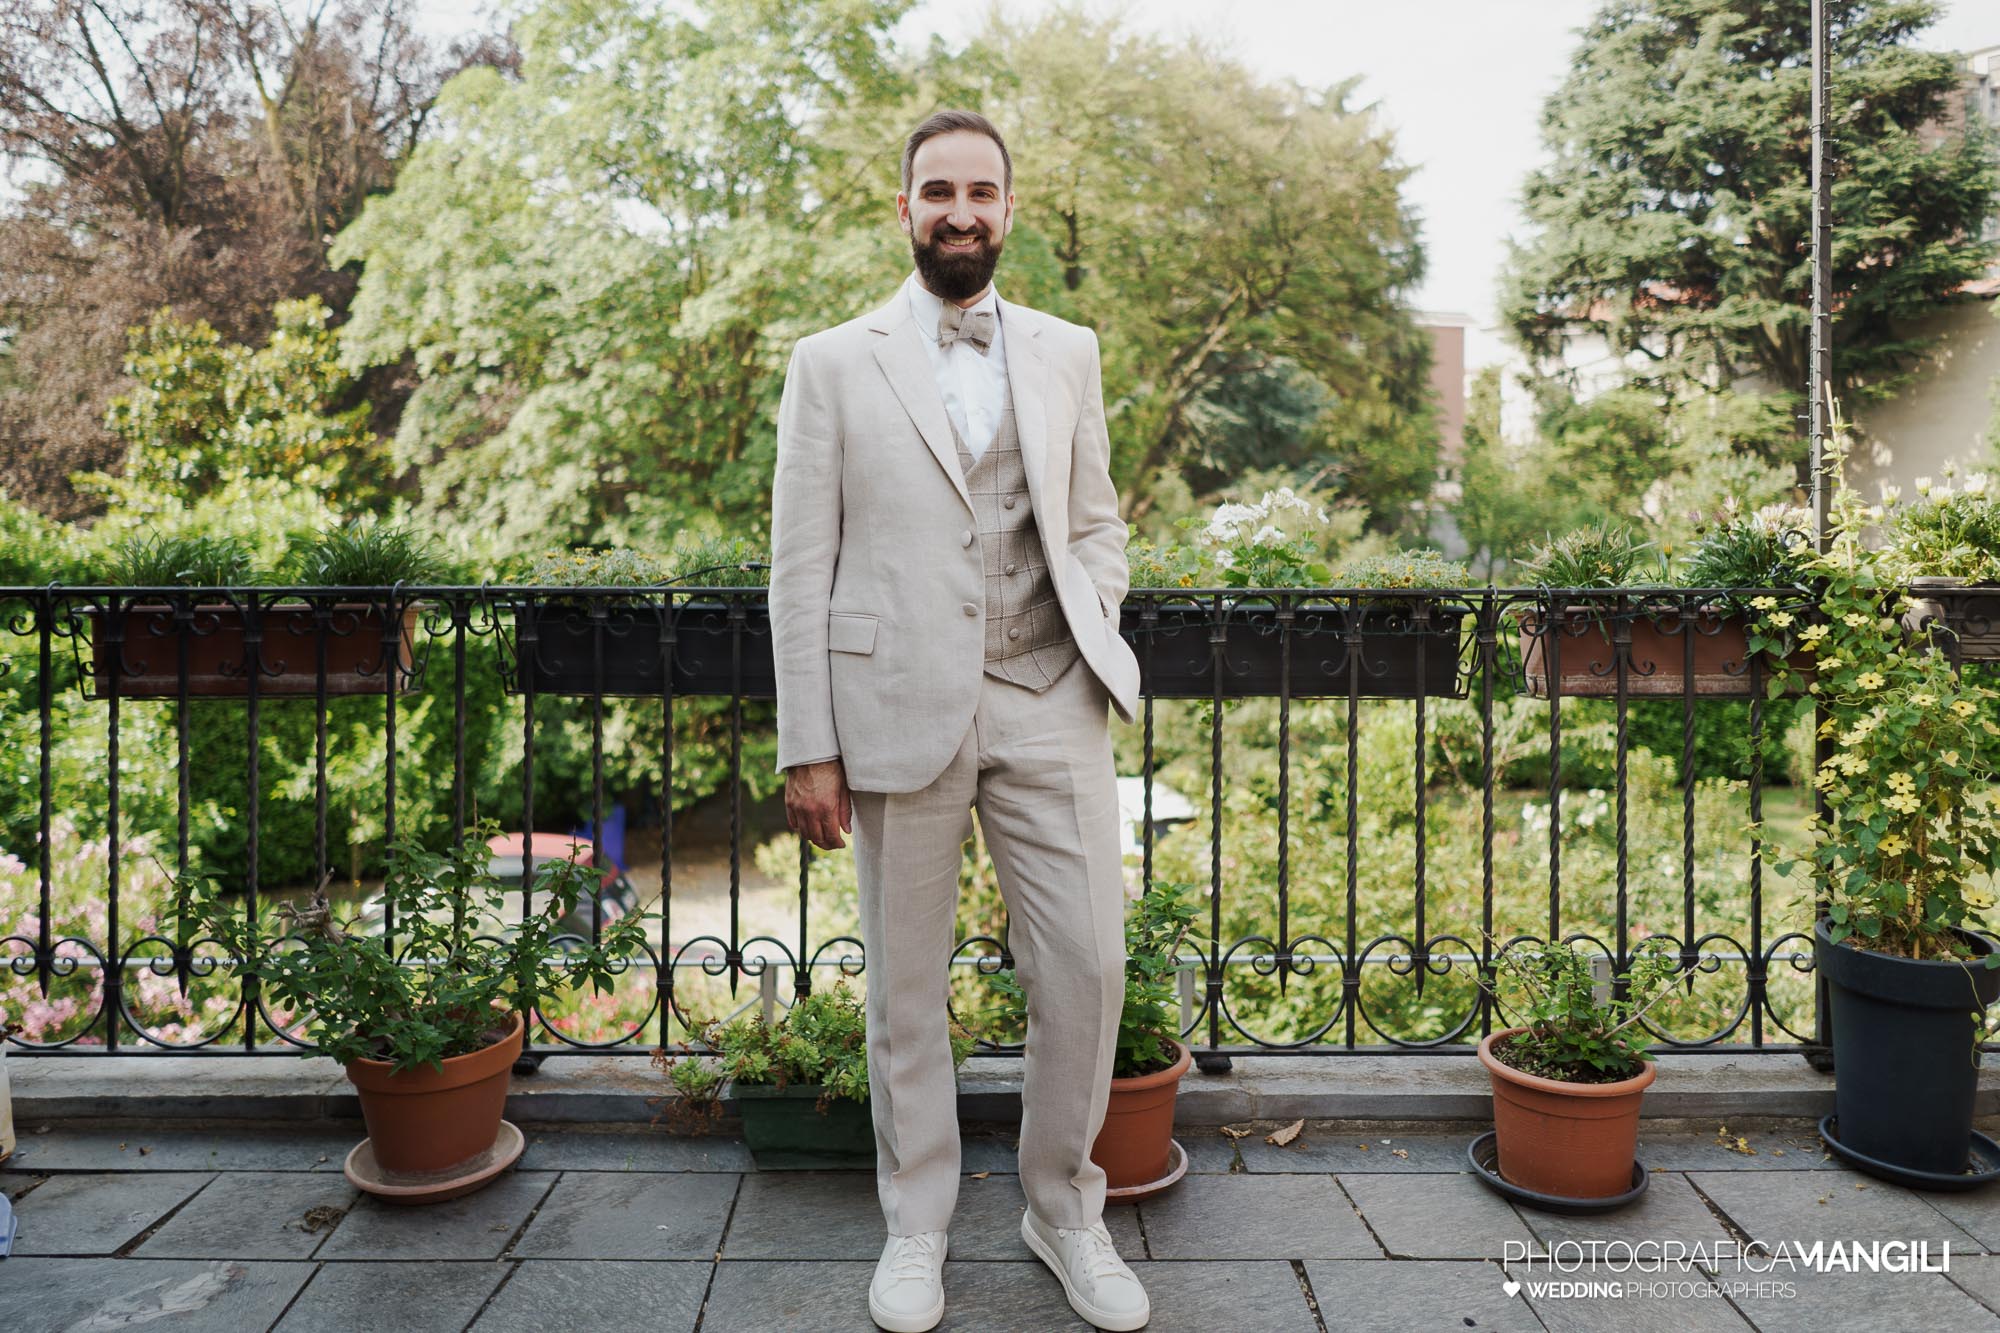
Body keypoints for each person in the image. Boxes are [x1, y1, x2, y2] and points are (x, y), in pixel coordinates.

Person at [768, 108, 1147, 1333]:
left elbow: (1094, 518)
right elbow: (798, 567)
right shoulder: (832, 362)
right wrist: (806, 742)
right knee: (906, 989)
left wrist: (1090, 611)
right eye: (938, 191)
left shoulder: (1066, 349)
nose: (960, 211)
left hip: (1049, 694)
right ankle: (917, 1223)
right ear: (904, 209)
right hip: (893, 709)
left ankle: (1060, 1209)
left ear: (1008, 207)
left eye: (981, 190)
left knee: (1087, 966)